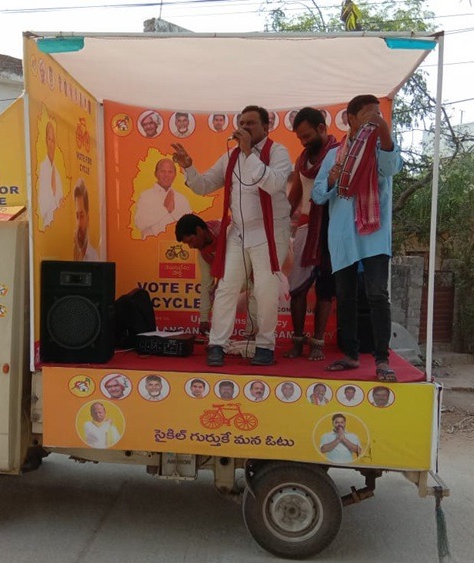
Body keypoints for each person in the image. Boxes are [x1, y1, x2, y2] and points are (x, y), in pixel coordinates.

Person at [172, 105, 292, 367]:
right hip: (239, 231)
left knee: (265, 289)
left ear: (265, 127)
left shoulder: (278, 152)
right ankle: (217, 344)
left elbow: (272, 184)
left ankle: (265, 345)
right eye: (242, 123)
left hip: (270, 231)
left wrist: (249, 152)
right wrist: (189, 168)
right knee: (226, 287)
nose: (245, 128)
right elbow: (204, 186)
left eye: (251, 123)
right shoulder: (231, 156)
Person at [312, 94, 402, 382]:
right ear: (350, 119)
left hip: (374, 234)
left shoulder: (380, 147)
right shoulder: (333, 155)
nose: (375, 118)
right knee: (346, 297)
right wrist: (330, 178)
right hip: (342, 236)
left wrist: (383, 129)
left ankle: (382, 360)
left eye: (379, 113)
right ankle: (350, 356)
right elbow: (317, 195)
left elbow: (390, 168)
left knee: (378, 295)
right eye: (368, 114)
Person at [284, 107, 339, 361]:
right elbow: (296, 194)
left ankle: (317, 343)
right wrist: (281, 218)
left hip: (332, 229)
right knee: (297, 289)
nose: (304, 142)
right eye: (300, 139)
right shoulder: (302, 160)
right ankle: (297, 340)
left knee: (325, 289)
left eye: (306, 136)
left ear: (321, 128)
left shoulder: (340, 155)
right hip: (306, 229)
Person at [175, 214, 257, 336]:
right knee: (218, 292)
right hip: (233, 275)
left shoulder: (228, 230)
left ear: (198, 230)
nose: (191, 247)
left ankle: (252, 336)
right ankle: (219, 339)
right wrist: (203, 319)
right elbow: (206, 286)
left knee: (255, 291)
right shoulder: (204, 253)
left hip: (252, 268)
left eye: (190, 241)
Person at [134, 158, 192, 238]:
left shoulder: (182, 199)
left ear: (175, 175)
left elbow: (189, 227)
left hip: (175, 246)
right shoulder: (145, 196)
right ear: (156, 173)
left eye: (170, 172)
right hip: (150, 246)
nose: (166, 175)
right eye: (163, 171)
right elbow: (139, 223)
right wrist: (164, 209)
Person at [36, 118, 64, 230]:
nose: (51, 143)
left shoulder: (57, 172)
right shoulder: (42, 168)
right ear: (45, 141)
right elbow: (43, 205)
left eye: (53, 140)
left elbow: (62, 202)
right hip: (47, 227)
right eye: (49, 139)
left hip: (59, 226)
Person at [73, 178, 99, 261]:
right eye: (77, 216)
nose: (79, 223)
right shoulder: (74, 252)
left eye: (82, 216)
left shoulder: (94, 257)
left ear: (88, 218)